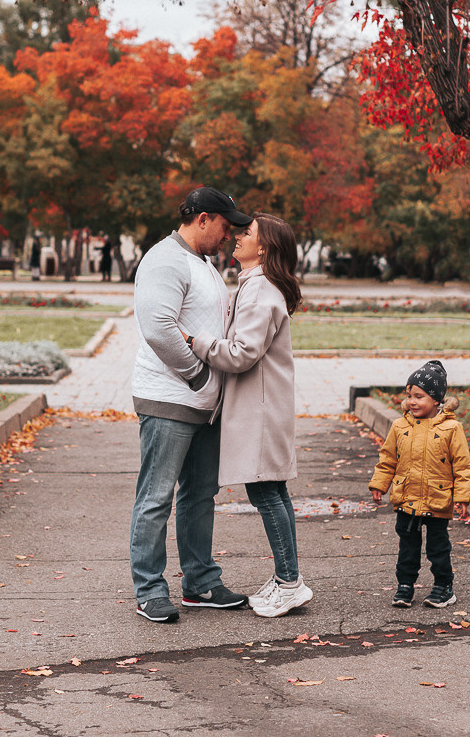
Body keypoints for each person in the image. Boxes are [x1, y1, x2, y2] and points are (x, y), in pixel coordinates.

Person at [130, 186, 253, 623]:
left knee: (200, 495)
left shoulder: (201, 263)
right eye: (224, 225)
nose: (229, 235)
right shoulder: (165, 259)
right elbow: (158, 327)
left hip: (204, 404)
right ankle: (149, 590)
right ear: (202, 218)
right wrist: (199, 376)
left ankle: (200, 584)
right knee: (157, 496)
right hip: (169, 399)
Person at [183, 212, 313, 618]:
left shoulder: (259, 291)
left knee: (265, 492)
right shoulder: (259, 286)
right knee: (273, 491)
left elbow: (240, 354)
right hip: (264, 405)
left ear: (264, 248)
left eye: (248, 234)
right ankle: (288, 579)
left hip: (259, 410)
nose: (238, 237)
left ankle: (289, 582)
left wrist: (194, 340)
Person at [369, 360, 470, 609]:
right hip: (407, 498)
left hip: (438, 499)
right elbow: (388, 459)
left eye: (419, 396)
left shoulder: (451, 428)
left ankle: (443, 587)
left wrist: (462, 497)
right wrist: (379, 484)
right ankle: (405, 585)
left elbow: (462, 465)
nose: (412, 401)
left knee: (438, 549)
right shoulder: (400, 426)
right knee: (408, 548)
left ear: (437, 400)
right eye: (409, 396)